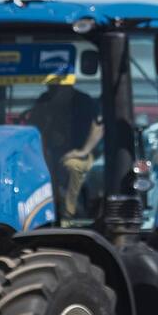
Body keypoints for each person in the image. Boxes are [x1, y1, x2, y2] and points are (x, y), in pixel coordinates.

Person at [25, 83, 102, 219]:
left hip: (81, 155)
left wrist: (83, 151)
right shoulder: (45, 100)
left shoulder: (84, 101)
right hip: (49, 154)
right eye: (51, 87)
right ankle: (45, 213)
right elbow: (33, 127)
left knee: (72, 166)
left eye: (56, 87)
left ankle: (69, 214)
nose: (52, 90)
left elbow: (98, 126)